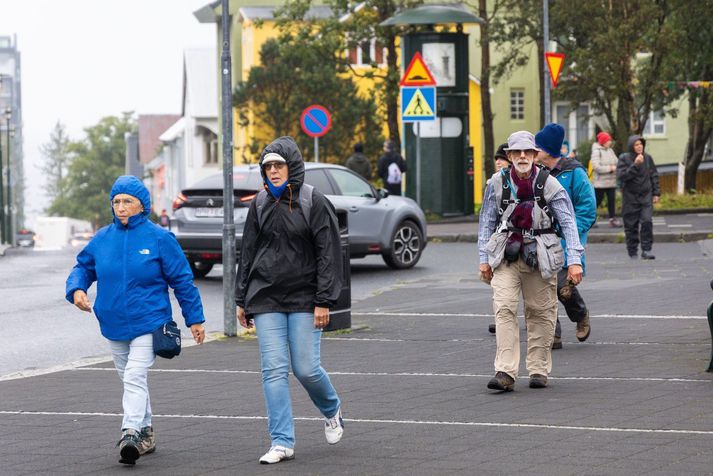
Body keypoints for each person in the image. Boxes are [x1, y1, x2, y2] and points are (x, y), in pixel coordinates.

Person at [65, 175, 206, 466]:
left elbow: (182, 280)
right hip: (113, 322)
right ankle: (146, 432)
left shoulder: (159, 238)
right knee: (131, 380)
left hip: (149, 320)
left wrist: (195, 318)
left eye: (128, 201)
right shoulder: (103, 238)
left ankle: (130, 432)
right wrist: (77, 289)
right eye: (116, 202)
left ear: (143, 205)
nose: (121, 207)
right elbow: (83, 267)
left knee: (134, 376)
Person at [236, 136, 345, 464]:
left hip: (305, 297)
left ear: (292, 166)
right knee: (273, 370)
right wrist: (241, 299)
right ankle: (281, 441)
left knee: (306, 368)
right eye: (267, 166)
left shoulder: (314, 201)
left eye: (278, 165)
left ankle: (332, 409)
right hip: (266, 295)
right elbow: (248, 252)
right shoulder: (260, 203)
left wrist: (324, 300)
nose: (272, 171)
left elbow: (329, 253)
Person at [478, 131, 584, 391]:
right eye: (517, 152)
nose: (522, 157)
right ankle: (505, 371)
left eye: (528, 152)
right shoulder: (496, 183)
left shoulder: (550, 184)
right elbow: (486, 222)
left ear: (535, 156)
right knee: (503, 308)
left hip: (541, 254)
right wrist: (483, 259)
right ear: (510, 156)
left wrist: (575, 260)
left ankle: (537, 368)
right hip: (506, 254)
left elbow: (569, 223)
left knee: (541, 312)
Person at [535, 123, 597, 350]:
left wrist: (567, 232)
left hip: (566, 243)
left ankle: (581, 314)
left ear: (548, 149)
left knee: (562, 287)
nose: (533, 150)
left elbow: (588, 209)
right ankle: (553, 334)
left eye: (537, 146)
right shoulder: (538, 173)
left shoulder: (575, 173)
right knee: (543, 287)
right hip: (543, 242)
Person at [617, 135, 660, 259]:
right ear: (631, 146)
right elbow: (622, 176)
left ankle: (646, 249)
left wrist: (656, 193)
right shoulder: (624, 158)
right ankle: (632, 251)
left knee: (647, 221)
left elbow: (654, 176)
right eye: (636, 144)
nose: (639, 146)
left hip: (646, 196)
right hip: (630, 197)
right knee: (631, 226)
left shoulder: (648, 158)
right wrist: (635, 165)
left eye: (641, 144)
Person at [487, 143, 510, 335]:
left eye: (501, 158)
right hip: (500, 242)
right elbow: (488, 217)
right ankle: (500, 318)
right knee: (499, 284)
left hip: (522, 241)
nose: (497, 162)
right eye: (496, 158)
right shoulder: (493, 183)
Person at [591, 132, 621, 227]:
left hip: (611, 182)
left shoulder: (610, 151)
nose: (610, 142)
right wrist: (610, 169)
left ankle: (612, 220)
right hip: (600, 183)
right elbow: (596, 167)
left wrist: (617, 167)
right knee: (597, 202)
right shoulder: (596, 151)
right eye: (608, 140)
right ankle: (590, 219)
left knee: (611, 201)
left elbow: (617, 162)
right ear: (603, 141)